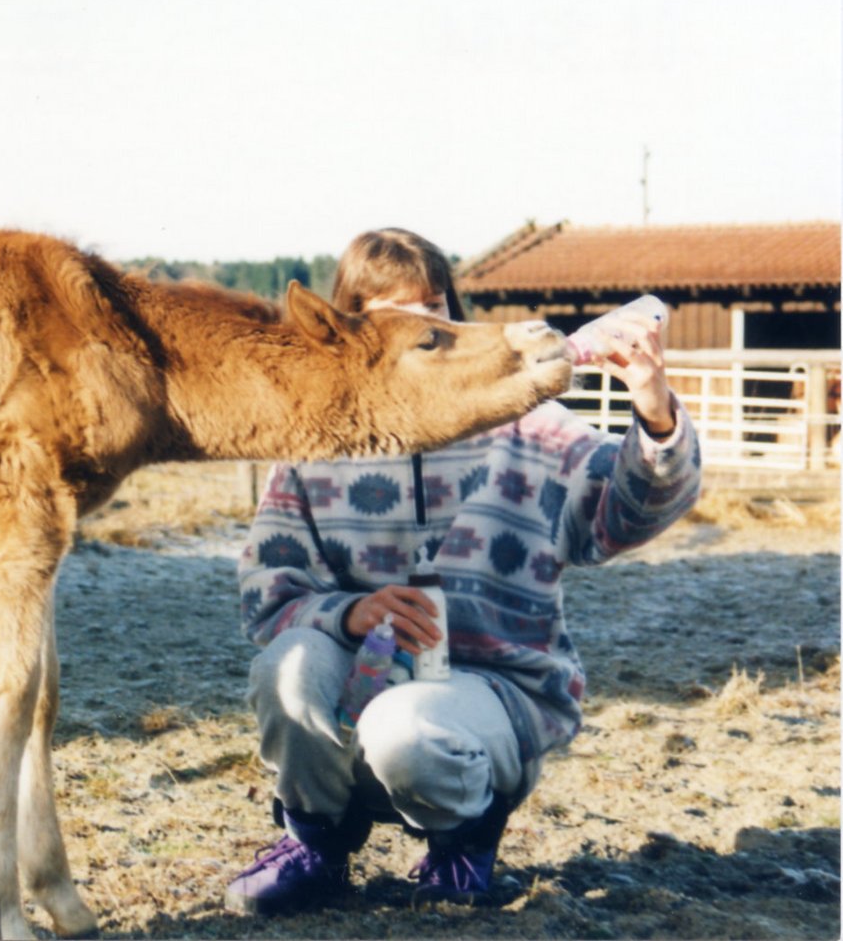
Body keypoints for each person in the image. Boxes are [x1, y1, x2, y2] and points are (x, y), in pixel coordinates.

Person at [225, 228, 702, 914]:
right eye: (399, 314)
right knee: (288, 662)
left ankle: (462, 844)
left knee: (403, 729)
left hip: (488, 699)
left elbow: (619, 516)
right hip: (355, 690)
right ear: (352, 328)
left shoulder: (523, 424)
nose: (426, 328)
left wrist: (654, 413)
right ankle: (316, 845)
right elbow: (267, 595)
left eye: (435, 306)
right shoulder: (310, 444)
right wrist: (346, 614)